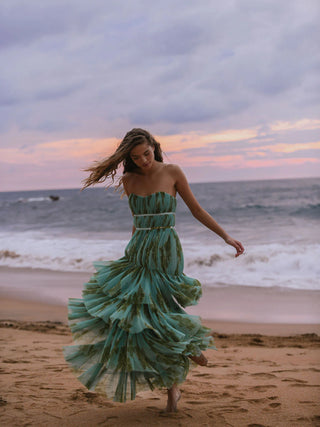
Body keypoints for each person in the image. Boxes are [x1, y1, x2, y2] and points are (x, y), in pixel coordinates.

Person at [62, 128, 244, 413]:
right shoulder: (129, 179)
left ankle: (188, 346)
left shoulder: (173, 171)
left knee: (159, 306)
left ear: (154, 147)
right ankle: (174, 389)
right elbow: (137, 221)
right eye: (136, 157)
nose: (143, 160)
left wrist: (225, 236)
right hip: (139, 248)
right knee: (141, 318)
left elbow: (196, 210)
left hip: (167, 248)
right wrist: (130, 250)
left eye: (146, 154)